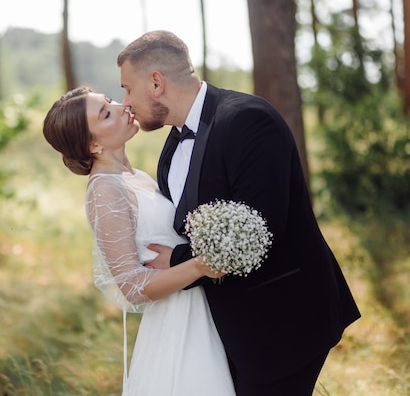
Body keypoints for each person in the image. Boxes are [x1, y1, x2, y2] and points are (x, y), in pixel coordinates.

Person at [116, 30, 361, 396]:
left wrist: (178, 261)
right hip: (225, 328)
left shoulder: (248, 120)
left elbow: (261, 231)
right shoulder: (172, 144)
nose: (126, 102)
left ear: (156, 82)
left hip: (282, 322)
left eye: (127, 88)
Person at [42, 86, 237, 396]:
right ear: (93, 144)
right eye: (106, 113)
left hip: (202, 307)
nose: (122, 107)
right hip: (176, 323)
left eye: (110, 101)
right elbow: (132, 287)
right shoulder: (104, 190)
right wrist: (200, 265)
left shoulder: (139, 177)